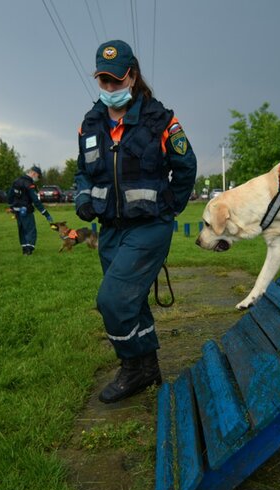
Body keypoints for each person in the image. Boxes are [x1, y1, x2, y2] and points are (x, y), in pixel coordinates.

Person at [74, 39, 197, 404]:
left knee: (112, 301)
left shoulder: (160, 119)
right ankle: (148, 367)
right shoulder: (90, 122)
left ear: (132, 75)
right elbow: (83, 171)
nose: (110, 88)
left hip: (148, 228)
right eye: (103, 81)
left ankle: (131, 368)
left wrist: (169, 207)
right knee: (132, 301)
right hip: (110, 230)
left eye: (116, 79)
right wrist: (83, 197)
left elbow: (185, 167)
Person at [7, 165, 54, 255]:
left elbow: (10, 195)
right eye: (38, 176)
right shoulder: (29, 184)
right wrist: (46, 213)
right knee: (30, 230)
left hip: (17, 211)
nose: (38, 179)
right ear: (33, 173)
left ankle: (24, 248)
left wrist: (11, 207)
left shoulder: (16, 181)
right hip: (26, 210)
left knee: (22, 230)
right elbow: (36, 201)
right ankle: (29, 249)